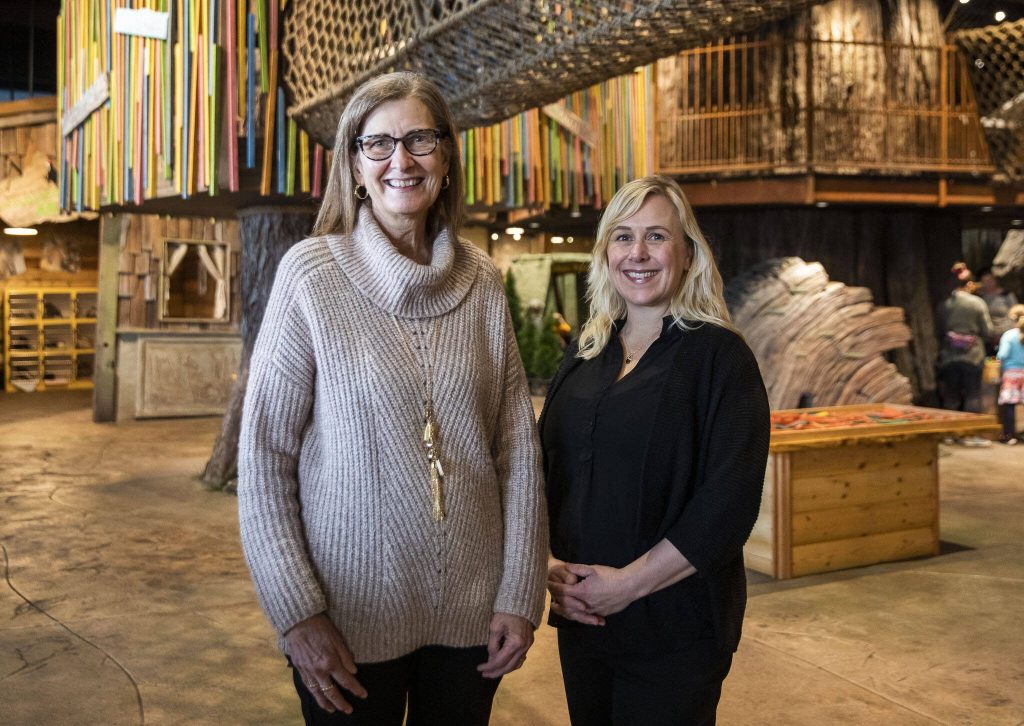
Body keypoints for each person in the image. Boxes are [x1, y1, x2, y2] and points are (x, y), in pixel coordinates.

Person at [237, 72, 547, 725]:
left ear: (446, 159)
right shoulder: (311, 276)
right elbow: (264, 456)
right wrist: (296, 612)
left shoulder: (482, 283)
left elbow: (517, 450)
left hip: (472, 619)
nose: (400, 160)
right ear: (354, 166)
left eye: (419, 140)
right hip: (347, 623)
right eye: (377, 144)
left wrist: (520, 593)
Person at [539, 175, 770, 725]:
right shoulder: (586, 351)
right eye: (623, 237)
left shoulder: (720, 358)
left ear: (688, 254)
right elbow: (544, 470)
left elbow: (729, 502)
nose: (637, 253)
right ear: (606, 253)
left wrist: (627, 585)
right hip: (584, 617)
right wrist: (548, 567)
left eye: (656, 237)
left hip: (675, 626)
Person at [936, 262, 994, 446]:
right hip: (973, 356)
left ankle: (949, 434)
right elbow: (987, 330)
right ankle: (969, 435)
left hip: (949, 356)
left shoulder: (945, 305)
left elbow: (940, 330)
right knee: (972, 396)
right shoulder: (977, 303)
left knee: (951, 397)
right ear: (969, 284)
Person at [996, 304, 1024, 444]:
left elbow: (1003, 354)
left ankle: (1009, 435)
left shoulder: (1009, 335)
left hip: (1012, 373)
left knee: (1009, 404)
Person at [977, 269, 1019, 353]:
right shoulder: (980, 298)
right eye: (985, 281)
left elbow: (1017, 312)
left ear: (995, 280)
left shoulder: (1006, 294)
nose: (988, 283)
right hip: (989, 335)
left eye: (990, 280)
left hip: (1007, 331)